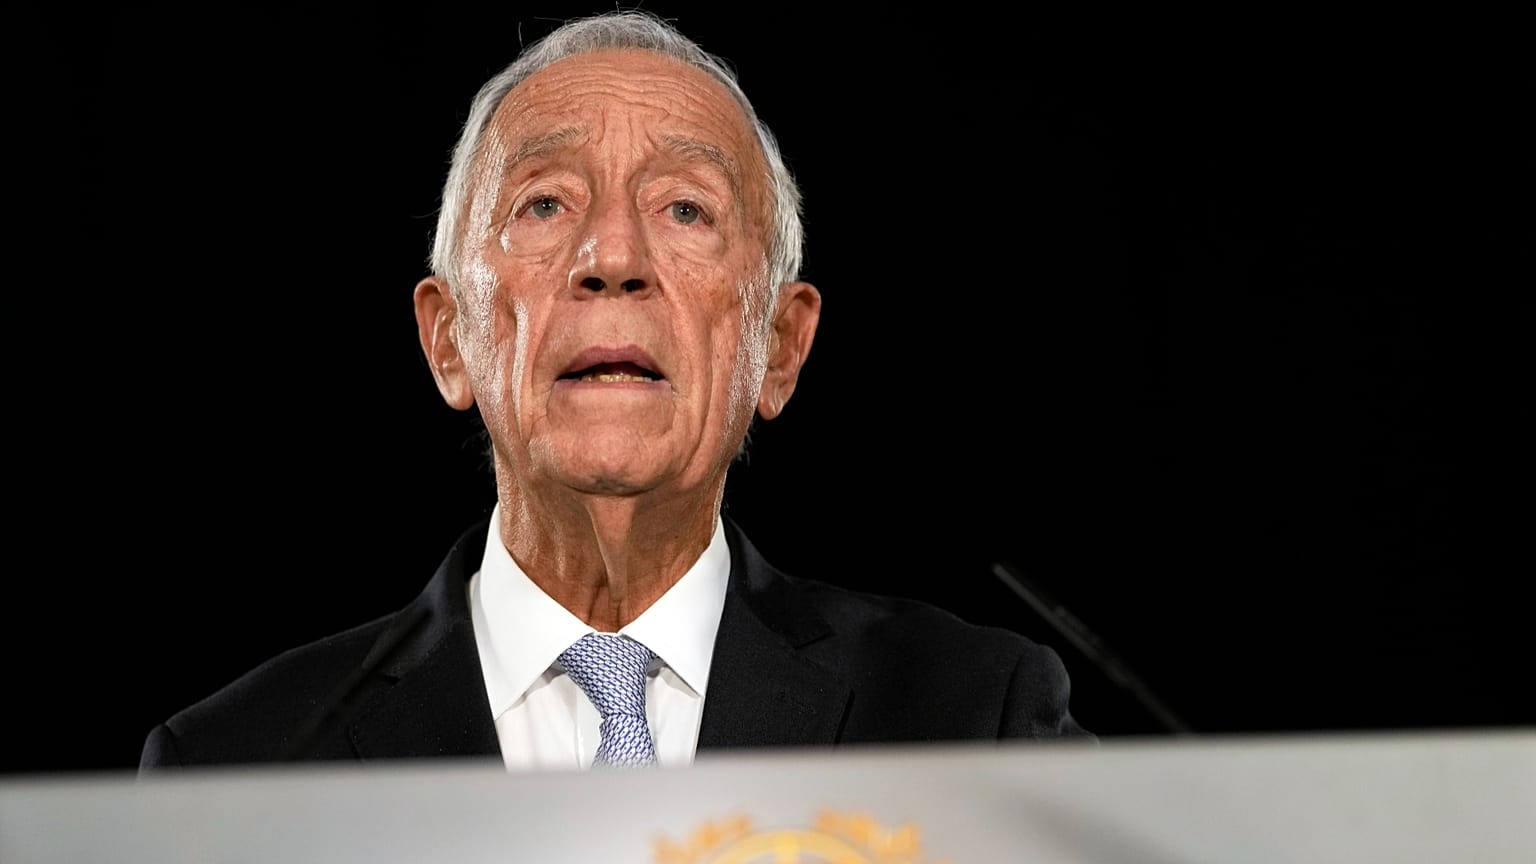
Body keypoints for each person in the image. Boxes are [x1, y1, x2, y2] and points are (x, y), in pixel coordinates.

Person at [139, 10, 1093, 772]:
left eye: (686, 208)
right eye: (545, 203)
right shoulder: (238, 766)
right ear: (448, 341)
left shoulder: (974, 720)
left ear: (779, 347)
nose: (613, 258)